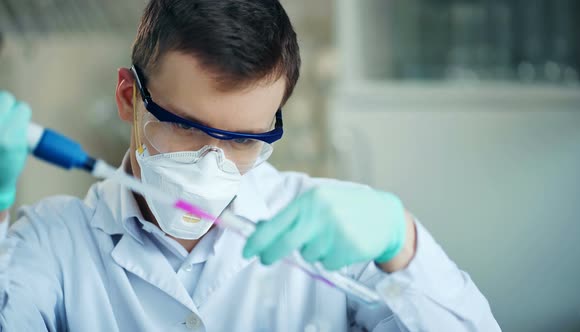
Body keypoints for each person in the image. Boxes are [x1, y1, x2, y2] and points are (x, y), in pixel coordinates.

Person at [0, 1, 501, 331]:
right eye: (188, 127)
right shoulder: (51, 244)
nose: (210, 164)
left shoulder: (331, 238)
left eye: (244, 139)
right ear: (129, 98)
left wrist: (405, 244)